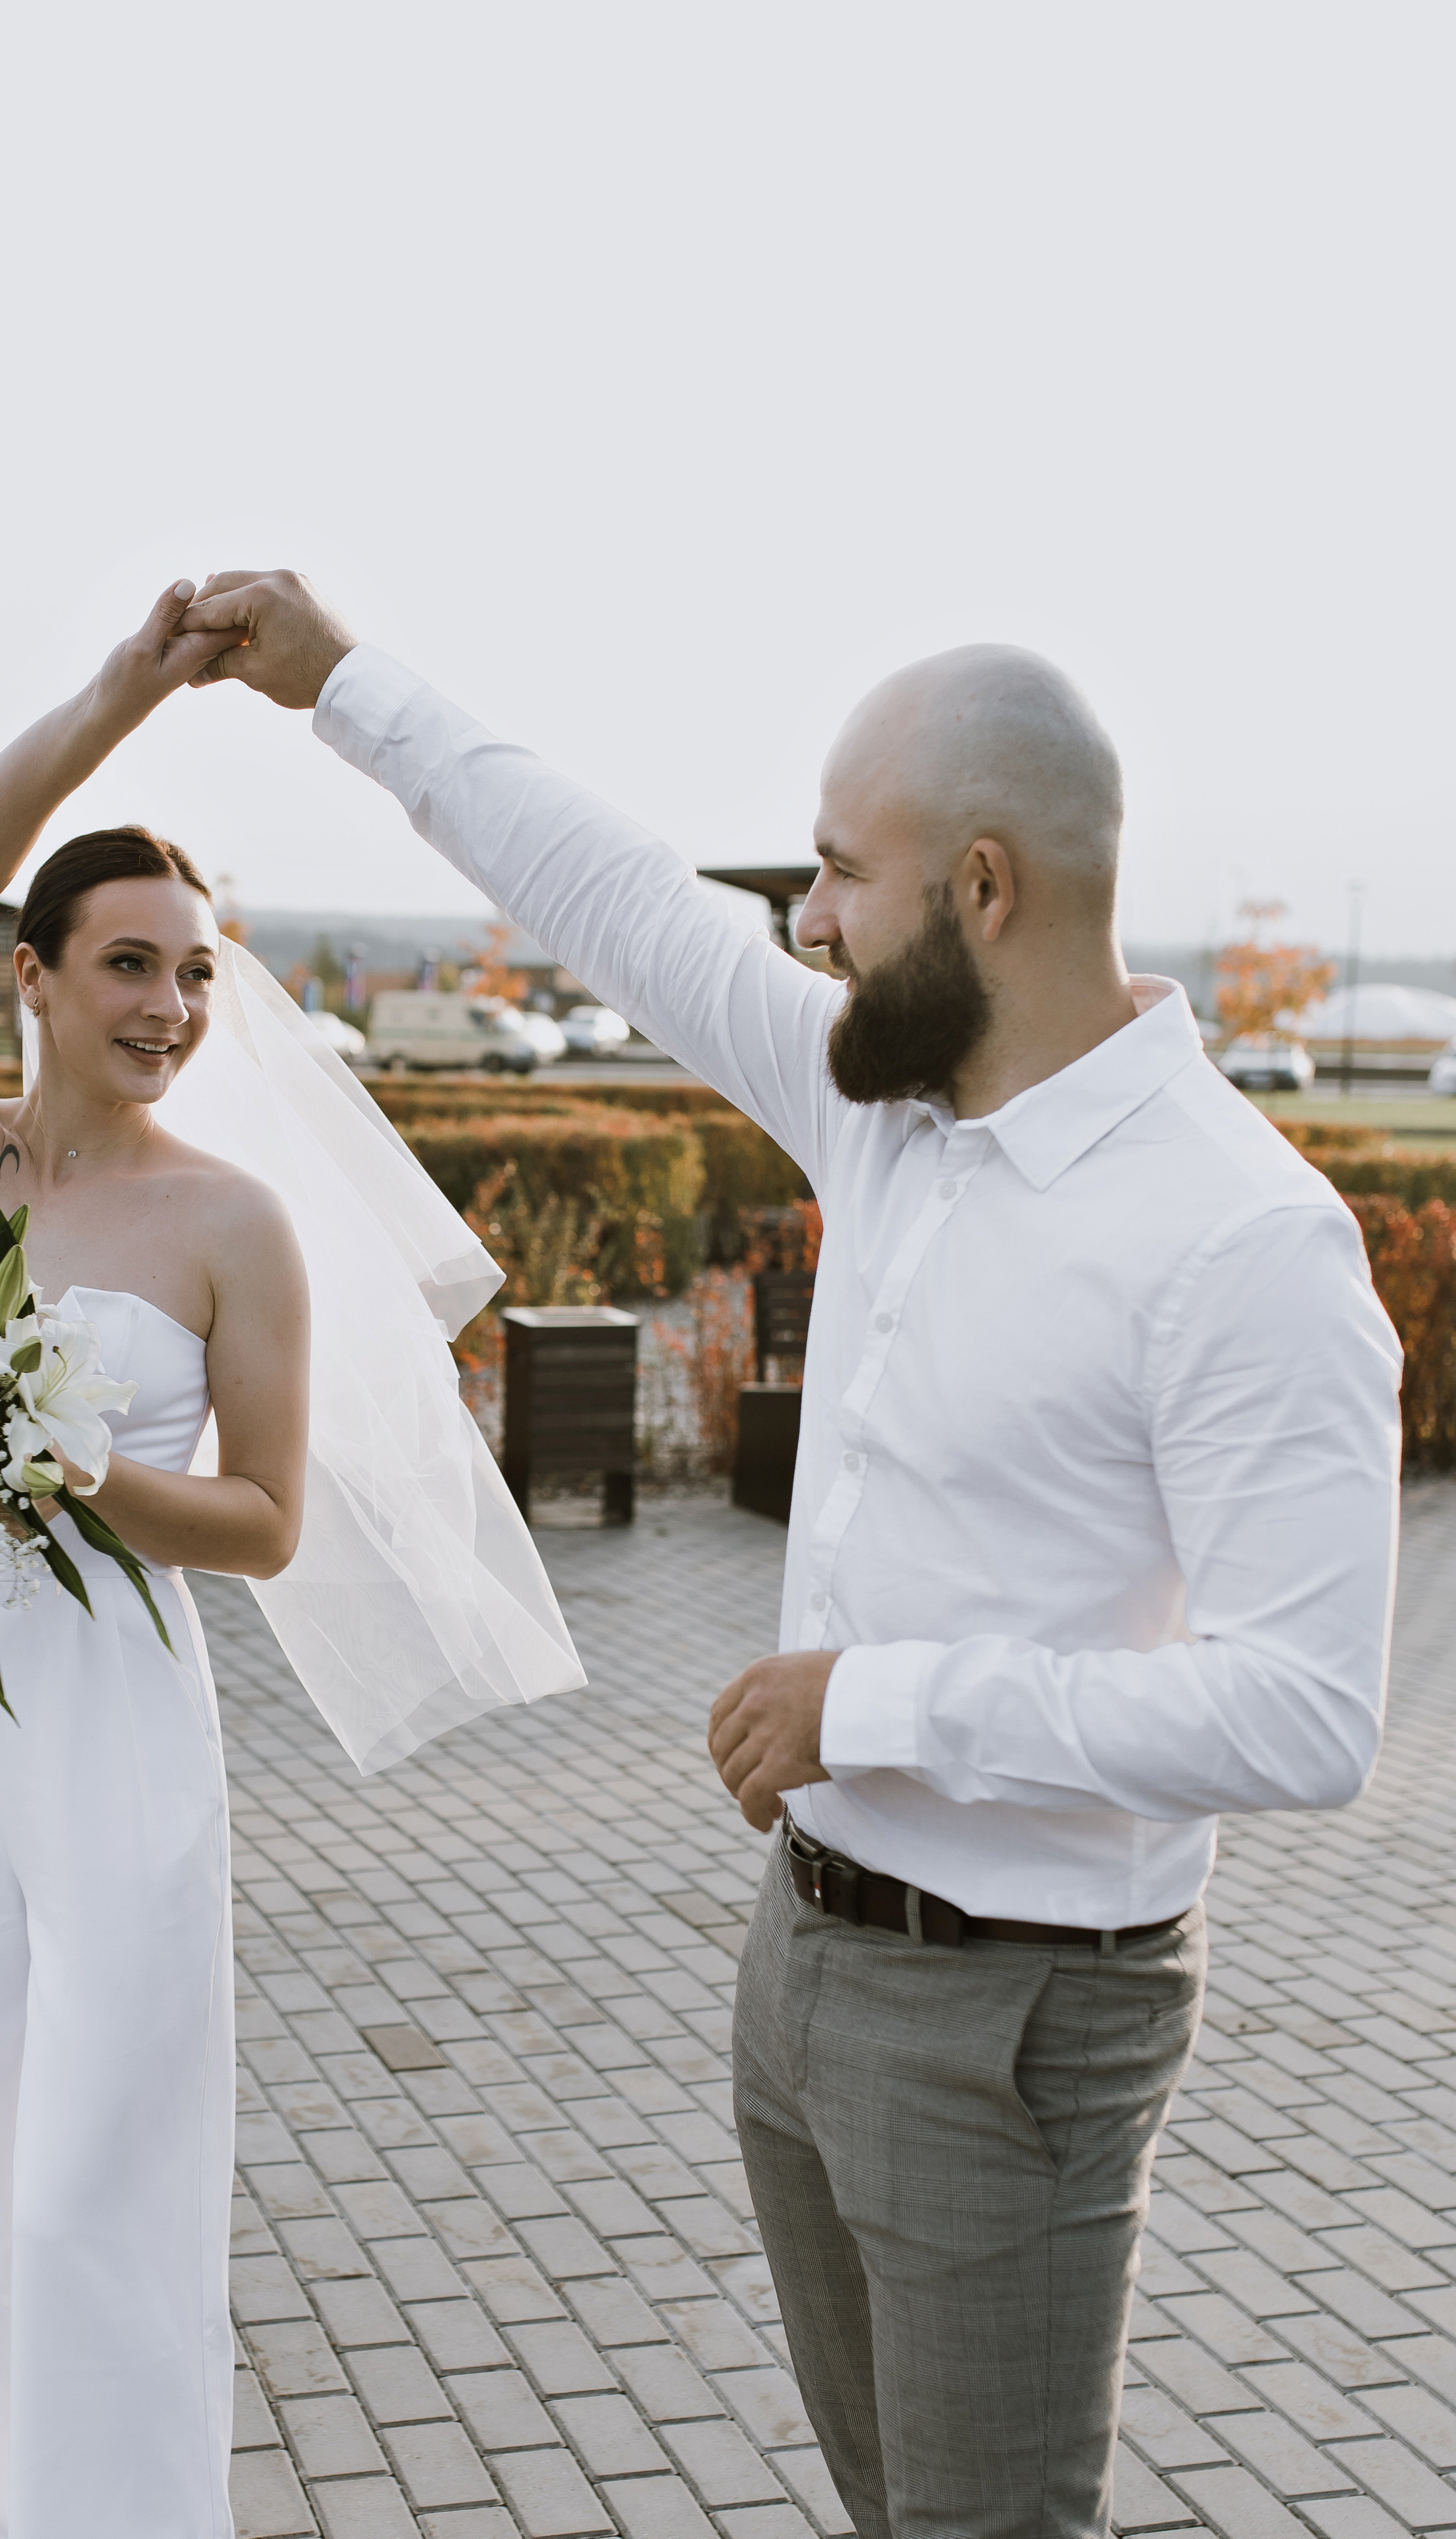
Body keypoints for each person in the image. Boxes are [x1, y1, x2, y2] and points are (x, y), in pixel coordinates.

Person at [181, 569, 1403, 2539]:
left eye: (841, 874)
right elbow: (620, 898)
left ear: (983, 887)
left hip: (1020, 2022)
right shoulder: (891, 1116)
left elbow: (1306, 1712)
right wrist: (341, 683)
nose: (805, 922)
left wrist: (877, 1701)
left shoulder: (1243, 1243)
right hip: (805, 1959)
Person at [0, 581, 582, 2539]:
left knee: (108, 2152)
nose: (171, 1008)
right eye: (127, 966)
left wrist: (62, 1468)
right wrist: (120, 694)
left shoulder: (234, 1225)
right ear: (30, 975)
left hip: (115, 1706)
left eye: (196, 972)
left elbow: (260, 1527)